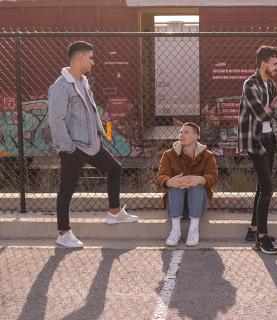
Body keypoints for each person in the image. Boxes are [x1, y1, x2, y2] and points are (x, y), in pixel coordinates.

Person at [48, 41, 138, 248]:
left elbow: (91, 110)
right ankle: (63, 233)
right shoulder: (61, 87)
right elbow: (55, 120)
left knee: (115, 169)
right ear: (80, 58)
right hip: (74, 147)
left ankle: (114, 212)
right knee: (67, 189)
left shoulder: (83, 81)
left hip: (91, 143)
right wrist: (68, 147)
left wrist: (101, 131)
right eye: (90, 57)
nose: (93, 62)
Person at [237, 45, 277, 254]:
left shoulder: (271, 84)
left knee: (262, 187)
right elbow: (260, 114)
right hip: (255, 140)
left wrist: (272, 108)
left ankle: (254, 229)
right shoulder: (250, 84)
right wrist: (272, 108)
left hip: (269, 139)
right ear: (263, 63)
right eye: (275, 64)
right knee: (267, 187)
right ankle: (262, 239)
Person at [156, 122, 218, 247]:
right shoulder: (168, 155)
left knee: (195, 184)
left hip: (198, 206)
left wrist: (200, 179)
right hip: (174, 206)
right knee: (176, 184)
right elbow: (161, 176)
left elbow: (213, 176)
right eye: (180, 132)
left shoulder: (207, 156)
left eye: (186, 132)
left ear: (196, 136)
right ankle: (175, 230)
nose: (181, 135)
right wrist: (169, 181)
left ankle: (193, 230)